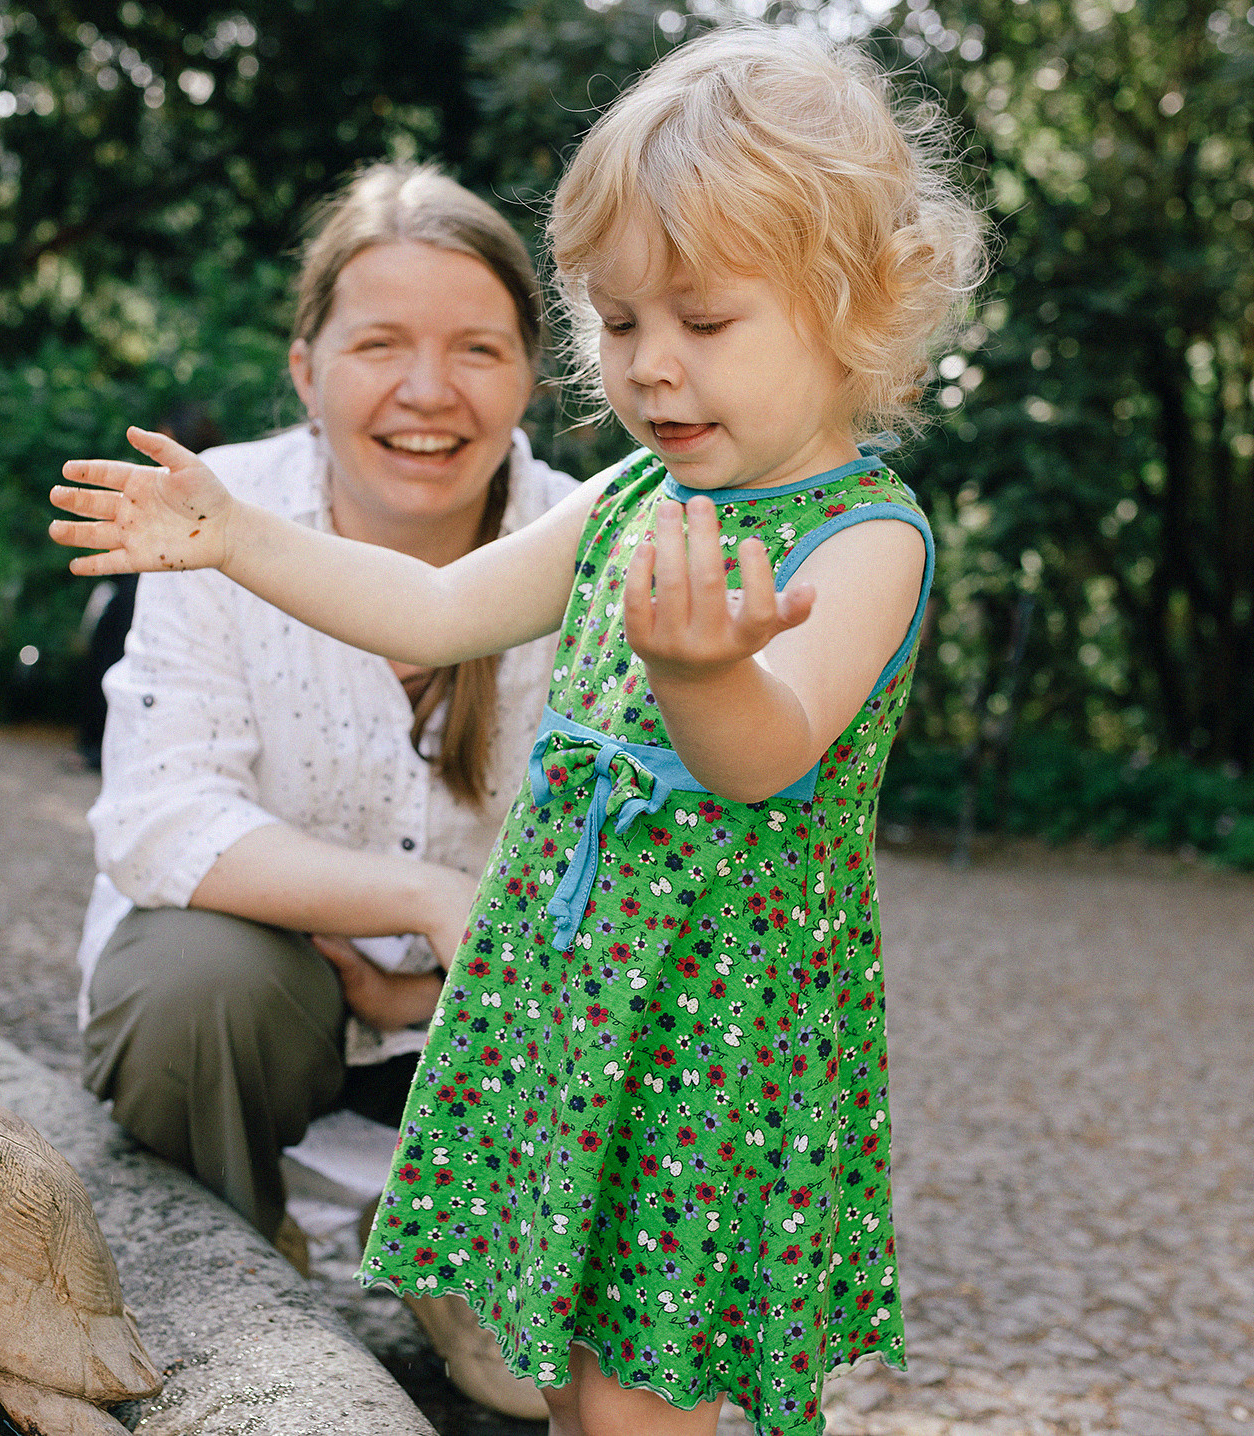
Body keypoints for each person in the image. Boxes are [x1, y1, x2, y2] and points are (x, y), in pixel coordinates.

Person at [51, 24, 985, 1436]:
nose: (652, 370)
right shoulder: (619, 503)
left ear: (852, 309)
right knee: (578, 1390)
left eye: (704, 322)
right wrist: (237, 538)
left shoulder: (868, 540)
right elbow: (428, 609)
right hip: (582, 1017)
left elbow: (765, 755)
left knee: (638, 1404)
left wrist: (703, 673)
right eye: (618, 326)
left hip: (712, 1042)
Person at [73, 162, 577, 1418]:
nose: (426, 390)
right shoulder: (216, 516)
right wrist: (415, 891)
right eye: (379, 344)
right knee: (195, 983)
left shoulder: (592, 541)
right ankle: (236, 1274)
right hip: (268, 992)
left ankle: (464, 1246)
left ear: (529, 376)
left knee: (538, 1390)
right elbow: (157, 818)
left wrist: (428, 972)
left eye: (475, 347)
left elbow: (624, 867)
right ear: (305, 366)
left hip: (495, 1017)